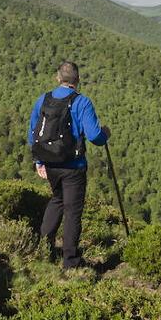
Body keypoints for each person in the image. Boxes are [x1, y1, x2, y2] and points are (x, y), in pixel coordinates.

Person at [29, 60, 110, 269]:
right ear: (78, 80)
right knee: (73, 211)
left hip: (50, 163)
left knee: (57, 200)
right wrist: (105, 134)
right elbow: (94, 136)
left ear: (58, 78)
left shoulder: (43, 100)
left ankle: (44, 249)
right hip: (73, 166)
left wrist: (39, 161)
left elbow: (33, 133)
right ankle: (70, 261)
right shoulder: (82, 102)